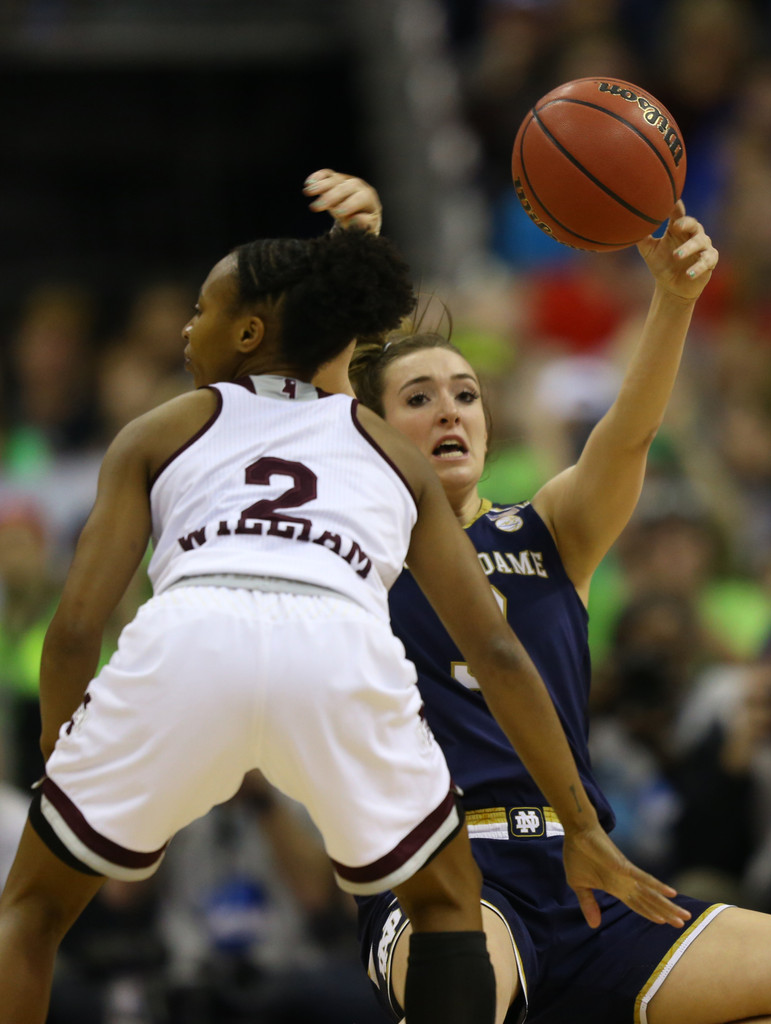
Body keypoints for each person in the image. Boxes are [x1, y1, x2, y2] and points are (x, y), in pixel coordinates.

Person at [0, 207, 685, 1024]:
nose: (187, 330)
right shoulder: (383, 444)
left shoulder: (165, 427)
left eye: (201, 312)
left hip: (190, 635)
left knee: (32, 913)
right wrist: (581, 822)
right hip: (336, 645)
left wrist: (62, 752)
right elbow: (498, 650)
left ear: (250, 332)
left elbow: (78, 625)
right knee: (445, 905)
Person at [329, 175, 771, 1023]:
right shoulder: (352, 550)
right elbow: (313, 408)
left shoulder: (544, 532)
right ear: (373, 429)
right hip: (446, 874)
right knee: (461, 991)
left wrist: (675, 298)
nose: (449, 412)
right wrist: (352, 263)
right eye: (419, 398)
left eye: (465, 394)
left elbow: (629, 433)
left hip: (584, 873)